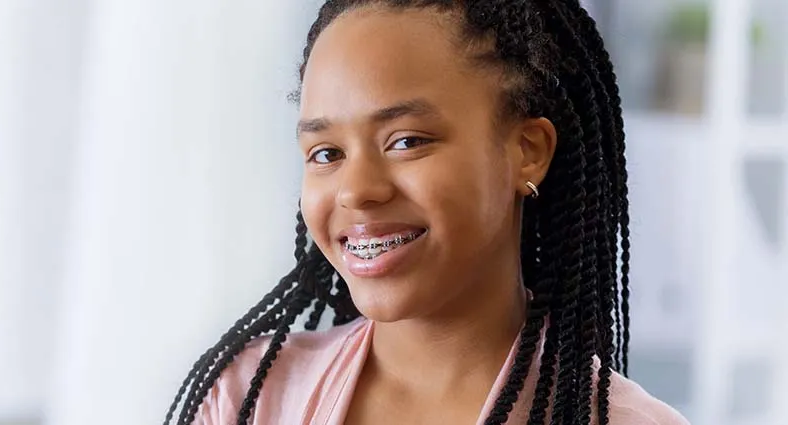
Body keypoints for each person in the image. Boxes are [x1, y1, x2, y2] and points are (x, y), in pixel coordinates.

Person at [165, 1, 689, 424]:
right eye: (327, 153)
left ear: (528, 150)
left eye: (407, 141)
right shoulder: (248, 398)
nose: (357, 191)